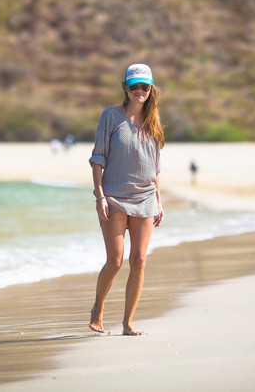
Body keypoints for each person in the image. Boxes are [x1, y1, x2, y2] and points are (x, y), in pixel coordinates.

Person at [88, 63, 165, 336]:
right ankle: (98, 308)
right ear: (125, 88)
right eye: (134, 86)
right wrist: (100, 198)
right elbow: (98, 159)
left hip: (145, 197)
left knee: (140, 259)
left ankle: (127, 323)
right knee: (116, 260)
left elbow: (154, 169)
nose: (139, 91)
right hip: (114, 196)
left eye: (144, 86)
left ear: (151, 88)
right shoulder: (110, 116)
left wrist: (159, 200)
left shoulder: (154, 122)